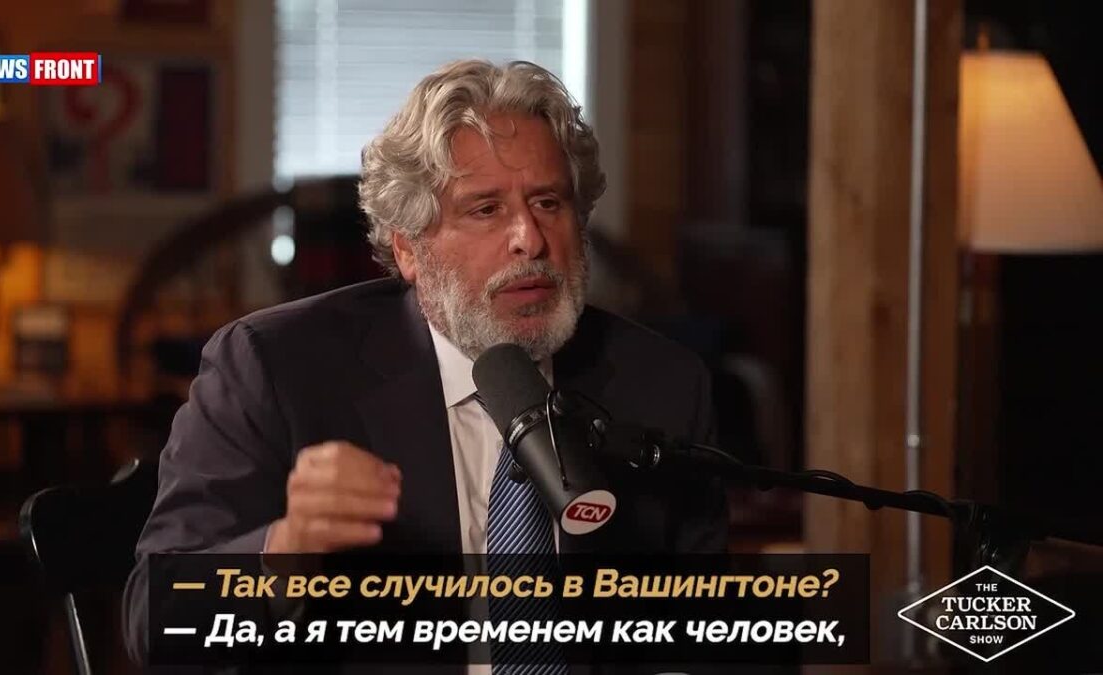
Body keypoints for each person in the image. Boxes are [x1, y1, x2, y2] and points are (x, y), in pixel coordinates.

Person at [122, 59, 727, 670]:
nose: (530, 238)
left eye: (549, 201)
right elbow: (155, 622)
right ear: (408, 249)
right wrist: (288, 549)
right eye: (485, 209)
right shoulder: (273, 368)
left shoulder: (664, 384)